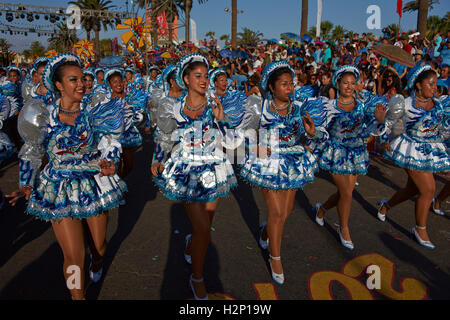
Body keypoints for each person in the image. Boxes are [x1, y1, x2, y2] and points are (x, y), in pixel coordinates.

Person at [5, 53, 126, 300]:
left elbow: (110, 143)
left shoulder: (94, 114)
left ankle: (97, 262)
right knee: (73, 255)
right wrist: (27, 184)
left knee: (99, 247)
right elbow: (31, 152)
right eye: (73, 80)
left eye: (82, 79)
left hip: (93, 184)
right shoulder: (42, 116)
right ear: (58, 85)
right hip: (58, 187)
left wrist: (110, 162)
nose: (81, 84)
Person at [151, 53, 237, 300]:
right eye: (197, 76)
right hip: (187, 169)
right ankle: (197, 278)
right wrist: (157, 158)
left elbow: (231, 142)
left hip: (212, 168)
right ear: (186, 79)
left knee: (204, 229)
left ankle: (192, 248)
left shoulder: (214, 105)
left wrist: (222, 119)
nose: (203, 80)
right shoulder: (173, 108)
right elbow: (164, 137)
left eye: (206, 76)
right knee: (202, 229)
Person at [239, 61, 328, 285]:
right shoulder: (259, 108)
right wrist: (253, 147)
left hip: (293, 161)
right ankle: (275, 257)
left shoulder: (299, 108)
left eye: (292, 84)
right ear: (271, 87)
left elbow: (317, 137)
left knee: (285, 212)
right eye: (284, 84)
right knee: (277, 213)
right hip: (268, 162)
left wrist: (311, 132)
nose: (290, 88)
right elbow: (239, 136)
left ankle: (266, 233)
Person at [314, 65, 387, 250]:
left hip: (356, 152)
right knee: (346, 193)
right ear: (337, 83)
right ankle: (344, 228)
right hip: (336, 153)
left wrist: (379, 120)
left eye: (352, 83)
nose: (349, 86)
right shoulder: (327, 106)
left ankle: (322, 209)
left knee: (344, 193)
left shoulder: (363, 106)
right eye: (345, 82)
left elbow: (370, 131)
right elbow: (320, 131)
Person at [377, 65, 450, 249]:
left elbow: (443, 130)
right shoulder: (406, 104)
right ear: (418, 85)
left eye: (436, 84)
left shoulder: (439, 103)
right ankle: (420, 228)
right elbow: (389, 122)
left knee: (412, 189)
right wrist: (383, 129)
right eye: (430, 84)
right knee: (428, 189)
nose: (434, 88)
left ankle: (386, 206)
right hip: (410, 149)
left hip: (430, 150)